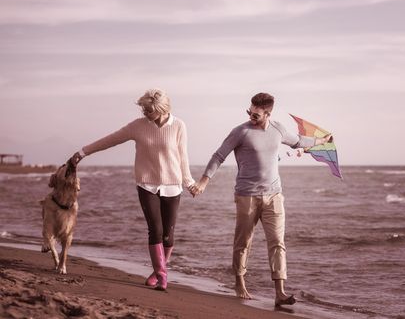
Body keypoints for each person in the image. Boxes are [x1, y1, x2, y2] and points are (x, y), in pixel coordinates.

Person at [189, 92, 331, 306]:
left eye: (257, 114)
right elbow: (219, 156)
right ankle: (240, 282)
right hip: (247, 195)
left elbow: (298, 141)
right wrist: (203, 182)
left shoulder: (278, 129)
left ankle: (280, 292)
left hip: (274, 195)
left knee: (277, 243)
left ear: (268, 113)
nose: (252, 116)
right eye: (250, 111)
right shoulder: (240, 132)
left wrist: (321, 140)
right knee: (243, 241)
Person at [68, 88, 195, 291]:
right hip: (147, 184)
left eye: (148, 111)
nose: (144, 114)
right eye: (143, 110)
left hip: (173, 185)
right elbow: (111, 139)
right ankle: (163, 276)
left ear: (161, 109)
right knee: (155, 230)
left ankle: (157, 270)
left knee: (168, 236)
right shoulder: (138, 126)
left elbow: (183, 156)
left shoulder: (179, 126)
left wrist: (189, 183)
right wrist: (83, 152)